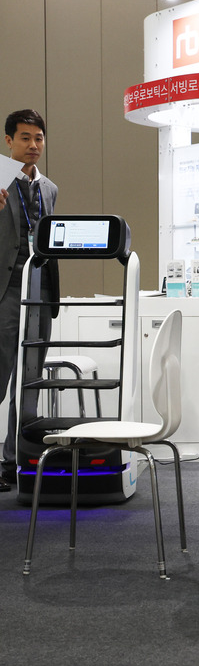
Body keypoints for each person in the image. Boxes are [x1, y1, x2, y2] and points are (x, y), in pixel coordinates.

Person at [0, 110, 58, 491]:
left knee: (31, 379)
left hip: (38, 289)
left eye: (38, 138)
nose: (33, 145)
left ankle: (17, 458)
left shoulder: (50, 187)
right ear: (9, 142)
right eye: (25, 138)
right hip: (3, 289)